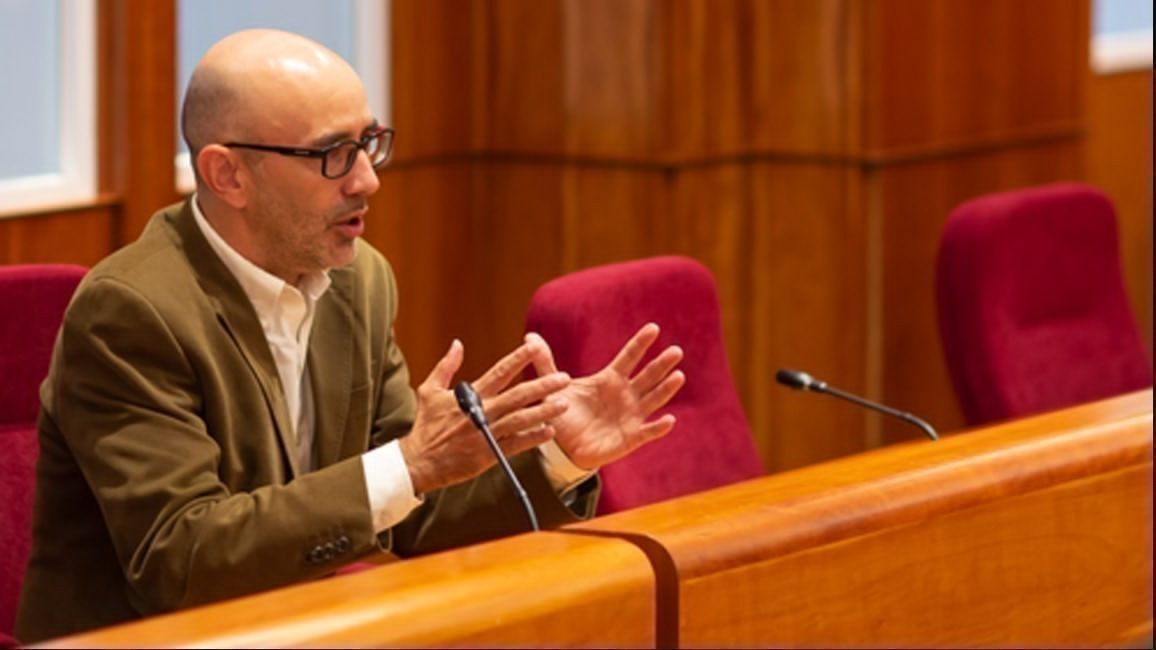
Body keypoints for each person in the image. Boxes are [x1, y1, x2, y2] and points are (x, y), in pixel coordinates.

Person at [14, 29, 685, 642]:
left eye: (369, 143)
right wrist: (411, 465)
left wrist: (557, 457)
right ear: (228, 175)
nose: (368, 179)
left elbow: (410, 508)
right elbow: (181, 562)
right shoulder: (132, 312)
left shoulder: (358, 283)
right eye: (334, 154)